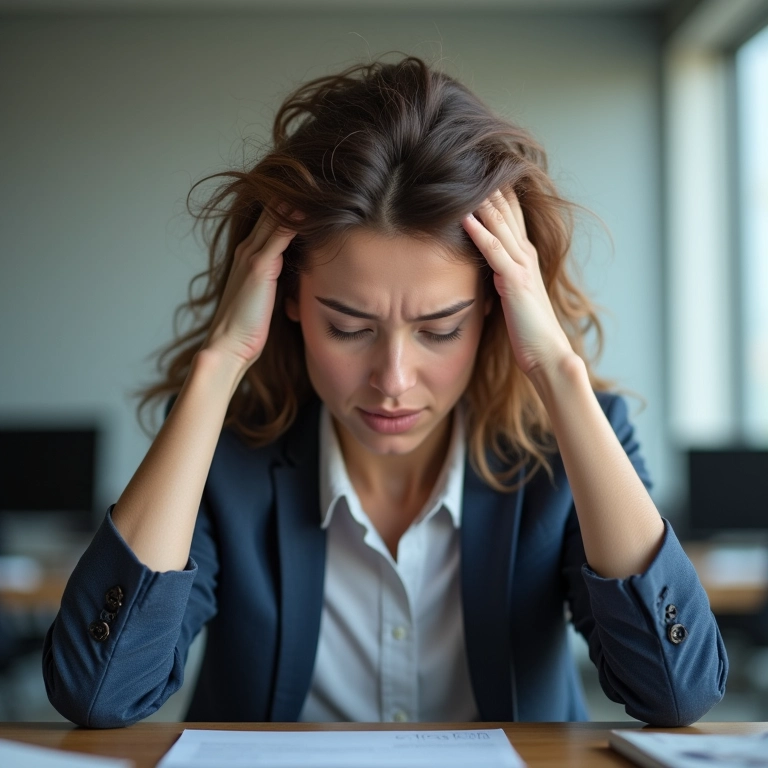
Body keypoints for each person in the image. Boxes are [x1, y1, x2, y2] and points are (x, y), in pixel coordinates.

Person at [42, 54, 727, 729]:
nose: (393, 381)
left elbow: (678, 692)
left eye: (439, 329)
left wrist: (557, 370)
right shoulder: (224, 449)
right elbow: (98, 695)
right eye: (347, 327)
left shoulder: (571, 444)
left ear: (495, 306)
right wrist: (220, 363)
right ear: (287, 299)